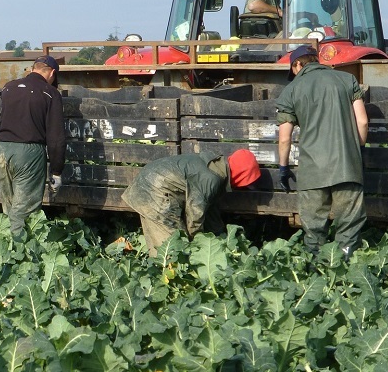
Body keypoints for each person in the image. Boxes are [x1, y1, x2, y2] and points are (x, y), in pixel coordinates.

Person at [276, 45, 368, 258]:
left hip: (312, 172)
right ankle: (344, 265)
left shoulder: (291, 90)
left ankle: (316, 269)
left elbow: (284, 138)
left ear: (297, 64)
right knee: (349, 226)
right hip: (347, 167)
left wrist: (283, 167)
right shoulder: (346, 80)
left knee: (314, 230)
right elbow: (362, 122)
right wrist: (358, 150)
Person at [122, 149, 261, 257]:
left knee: (160, 248)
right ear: (240, 176)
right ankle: (171, 286)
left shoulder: (214, 166)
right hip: (155, 193)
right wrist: (201, 245)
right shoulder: (211, 180)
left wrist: (220, 235)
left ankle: (159, 277)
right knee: (174, 249)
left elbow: (210, 210)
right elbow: (195, 217)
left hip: (148, 184)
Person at [0, 55, 67, 237]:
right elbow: (56, 137)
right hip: (28, 154)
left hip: (3, 150)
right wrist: (57, 171)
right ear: (52, 72)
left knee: (10, 206)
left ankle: (3, 246)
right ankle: (19, 255)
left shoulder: (9, 87)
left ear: (33, 68)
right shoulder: (50, 93)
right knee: (24, 211)